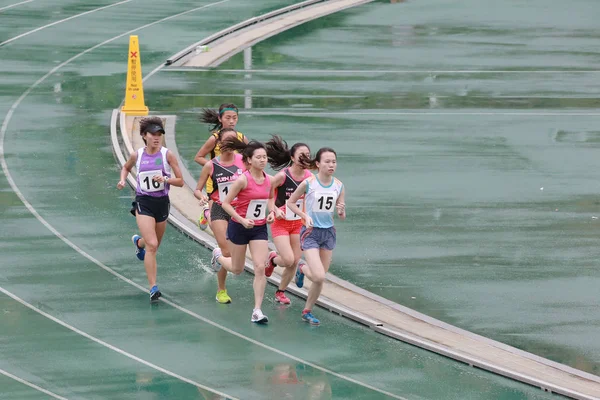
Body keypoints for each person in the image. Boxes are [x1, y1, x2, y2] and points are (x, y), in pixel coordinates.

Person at [117, 117, 184, 302]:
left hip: (161, 203)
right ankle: (153, 287)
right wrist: (123, 179)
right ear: (144, 136)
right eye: (152, 134)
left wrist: (166, 180)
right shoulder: (137, 155)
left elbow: (180, 181)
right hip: (143, 202)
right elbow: (126, 168)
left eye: (159, 134)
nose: (156, 138)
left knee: (152, 245)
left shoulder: (167, 155)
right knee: (153, 245)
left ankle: (139, 243)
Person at [211, 138, 277, 324]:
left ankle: (257, 310)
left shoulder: (269, 180)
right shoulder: (242, 180)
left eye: (265, 157)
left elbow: (270, 198)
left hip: (259, 228)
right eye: (259, 157)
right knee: (237, 269)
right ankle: (218, 256)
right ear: (249, 160)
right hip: (239, 226)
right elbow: (225, 203)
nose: (263, 160)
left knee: (260, 267)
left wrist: (271, 212)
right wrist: (241, 219)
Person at [286, 148, 346, 325]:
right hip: (310, 232)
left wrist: (341, 211)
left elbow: (341, 213)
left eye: (334, 161)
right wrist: (304, 216)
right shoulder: (308, 183)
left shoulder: (339, 185)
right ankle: (302, 268)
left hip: (328, 233)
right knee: (319, 276)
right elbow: (290, 203)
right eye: (327, 161)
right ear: (318, 164)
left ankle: (307, 311)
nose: (331, 165)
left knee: (320, 278)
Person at [194, 128, 245, 304]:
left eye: (233, 142)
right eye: (226, 142)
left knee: (234, 256)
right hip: (219, 208)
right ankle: (221, 290)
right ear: (219, 144)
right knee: (226, 252)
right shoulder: (211, 165)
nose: (230, 145)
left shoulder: (244, 161)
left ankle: (217, 257)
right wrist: (201, 197)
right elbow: (197, 189)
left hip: (239, 210)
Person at [265, 136, 312, 305]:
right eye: (301, 155)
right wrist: (274, 210)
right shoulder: (282, 176)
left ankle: (280, 291)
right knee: (287, 260)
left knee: (294, 262)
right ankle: (272, 259)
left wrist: (307, 216)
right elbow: (268, 195)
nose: (305, 157)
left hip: (298, 223)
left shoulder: (309, 178)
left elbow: (310, 199)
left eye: (308, 154)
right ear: (292, 157)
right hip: (281, 223)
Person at [194, 103, 248, 230]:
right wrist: (217, 168)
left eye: (234, 118)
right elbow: (198, 157)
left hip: (235, 181)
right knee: (215, 223)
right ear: (220, 118)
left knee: (233, 219)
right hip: (216, 182)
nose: (231, 121)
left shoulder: (241, 138)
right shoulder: (214, 138)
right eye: (228, 118)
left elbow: (249, 159)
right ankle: (207, 213)